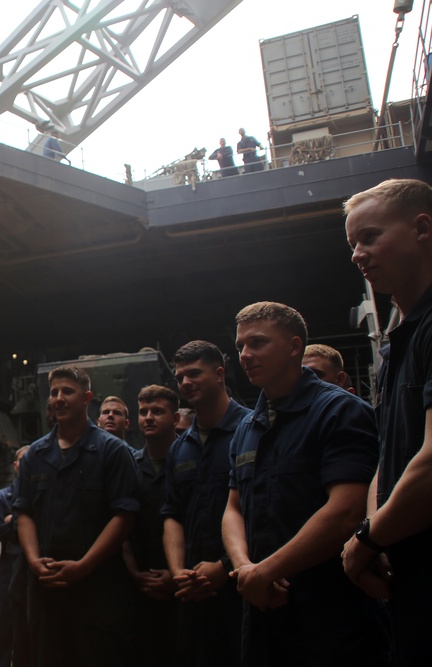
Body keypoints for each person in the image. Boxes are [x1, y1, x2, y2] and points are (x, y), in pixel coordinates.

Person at [222, 302, 385, 666]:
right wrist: (247, 568)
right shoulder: (247, 427)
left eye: (258, 343)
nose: (246, 355)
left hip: (329, 614)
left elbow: (346, 511)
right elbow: (233, 507)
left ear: (295, 347)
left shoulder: (340, 411)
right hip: (263, 607)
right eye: (240, 346)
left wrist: (267, 571)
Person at [341, 178, 432, 666]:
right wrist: (376, 533)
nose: (358, 254)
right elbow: (391, 454)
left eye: (371, 236)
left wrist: (366, 540)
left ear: (422, 228)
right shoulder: (401, 339)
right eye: (353, 243)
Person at [15, 365, 139, 667]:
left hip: (97, 590)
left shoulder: (113, 451)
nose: (59, 398)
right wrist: (33, 561)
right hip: (46, 590)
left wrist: (83, 566)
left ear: (87, 398)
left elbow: (123, 517)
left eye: (67, 391)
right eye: (54, 392)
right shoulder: (35, 455)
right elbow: (24, 512)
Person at [162, 340, 248, 666]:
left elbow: (264, 511)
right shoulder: (179, 448)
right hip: (193, 589)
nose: (185, 383)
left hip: (243, 586)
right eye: (180, 376)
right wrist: (177, 572)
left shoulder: (253, 431)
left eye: (194, 373)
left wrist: (225, 568)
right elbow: (172, 514)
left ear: (220, 375)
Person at [124, 385, 180, 667]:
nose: (148, 417)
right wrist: (135, 574)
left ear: (176, 419)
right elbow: (122, 527)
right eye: (143, 412)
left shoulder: (193, 460)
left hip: (183, 586)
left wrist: (177, 575)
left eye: (157, 411)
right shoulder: (128, 466)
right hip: (139, 586)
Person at [0, 445, 30, 667]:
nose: (26, 463)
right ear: (15, 465)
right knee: (1, 638)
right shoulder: (1, 498)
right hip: (8, 572)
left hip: (33, 573)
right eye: (22, 459)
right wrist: (27, 523)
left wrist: (14, 519)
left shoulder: (45, 494)